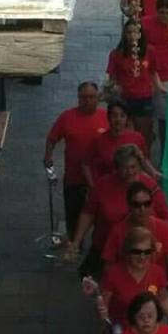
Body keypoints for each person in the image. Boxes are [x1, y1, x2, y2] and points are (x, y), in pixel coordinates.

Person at [68, 144, 168, 275]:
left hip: (140, 253)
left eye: (133, 167)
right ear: (117, 168)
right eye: (125, 168)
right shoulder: (103, 185)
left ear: (140, 166)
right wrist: (76, 241)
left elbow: (165, 215)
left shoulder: (151, 187)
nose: (130, 172)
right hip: (104, 248)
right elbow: (88, 213)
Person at [99, 226, 168, 333]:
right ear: (127, 251)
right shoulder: (113, 274)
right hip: (120, 333)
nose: (142, 257)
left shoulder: (158, 273)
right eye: (136, 252)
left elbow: (163, 300)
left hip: (148, 333)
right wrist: (106, 324)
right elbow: (103, 306)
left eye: (147, 252)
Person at [44, 82, 108, 239]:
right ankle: (74, 243)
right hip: (74, 177)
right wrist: (48, 156)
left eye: (91, 97)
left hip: (100, 178)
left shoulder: (106, 117)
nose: (87, 100)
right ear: (78, 98)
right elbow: (52, 138)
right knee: (73, 212)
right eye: (83, 97)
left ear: (97, 98)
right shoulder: (67, 117)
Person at [102, 181, 168, 289]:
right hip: (128, 287)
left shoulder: (163, 228)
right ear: (129, 206)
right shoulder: (117, 231)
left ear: (152, 204)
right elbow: (108, 267)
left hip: (157, 288)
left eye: (147, 204)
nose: (142, 209)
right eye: (137, 205)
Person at [106, 20, 165, 151]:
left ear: (140, 34)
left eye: (135, 32)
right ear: (124, 34)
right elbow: (112, 77)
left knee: (144, 135)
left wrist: (160, 88)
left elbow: (153, 72)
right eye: (128, 32)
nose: (132, 35)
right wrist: (109, 89)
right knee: (126, 135)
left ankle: (145, 159)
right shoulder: (116, 54)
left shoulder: (150, 51)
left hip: (144, 98)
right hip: (124, 99)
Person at [141, 0, 168, 153]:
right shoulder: (145, 23)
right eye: (161, 12)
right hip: (147, 72)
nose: (164, 16)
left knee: (166, 116)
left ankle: (166, 151)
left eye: (167, 12)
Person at [85, 99, 158, 185]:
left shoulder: (137, 138)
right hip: (108, 187)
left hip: (132, 187)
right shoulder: (98, 140)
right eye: (114, 115)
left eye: (122, 116)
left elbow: (144, 160)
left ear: (127, 118)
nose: (118, 119)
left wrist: (153, 173)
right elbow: (86, 164)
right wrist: (93, 186)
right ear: (108, 117)